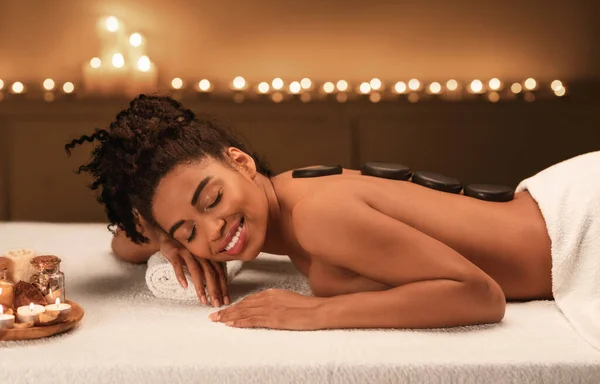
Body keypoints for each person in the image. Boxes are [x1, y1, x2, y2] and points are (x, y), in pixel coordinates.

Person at [65, 94, 555, 331]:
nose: (214, 231)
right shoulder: (286, 194)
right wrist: (166, 235)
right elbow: (124, 245)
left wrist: (316, 312)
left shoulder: (317, 217)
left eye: (212, 201)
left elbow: (480, 297)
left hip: (576, 228)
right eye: (189, 231)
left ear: (241, 161)